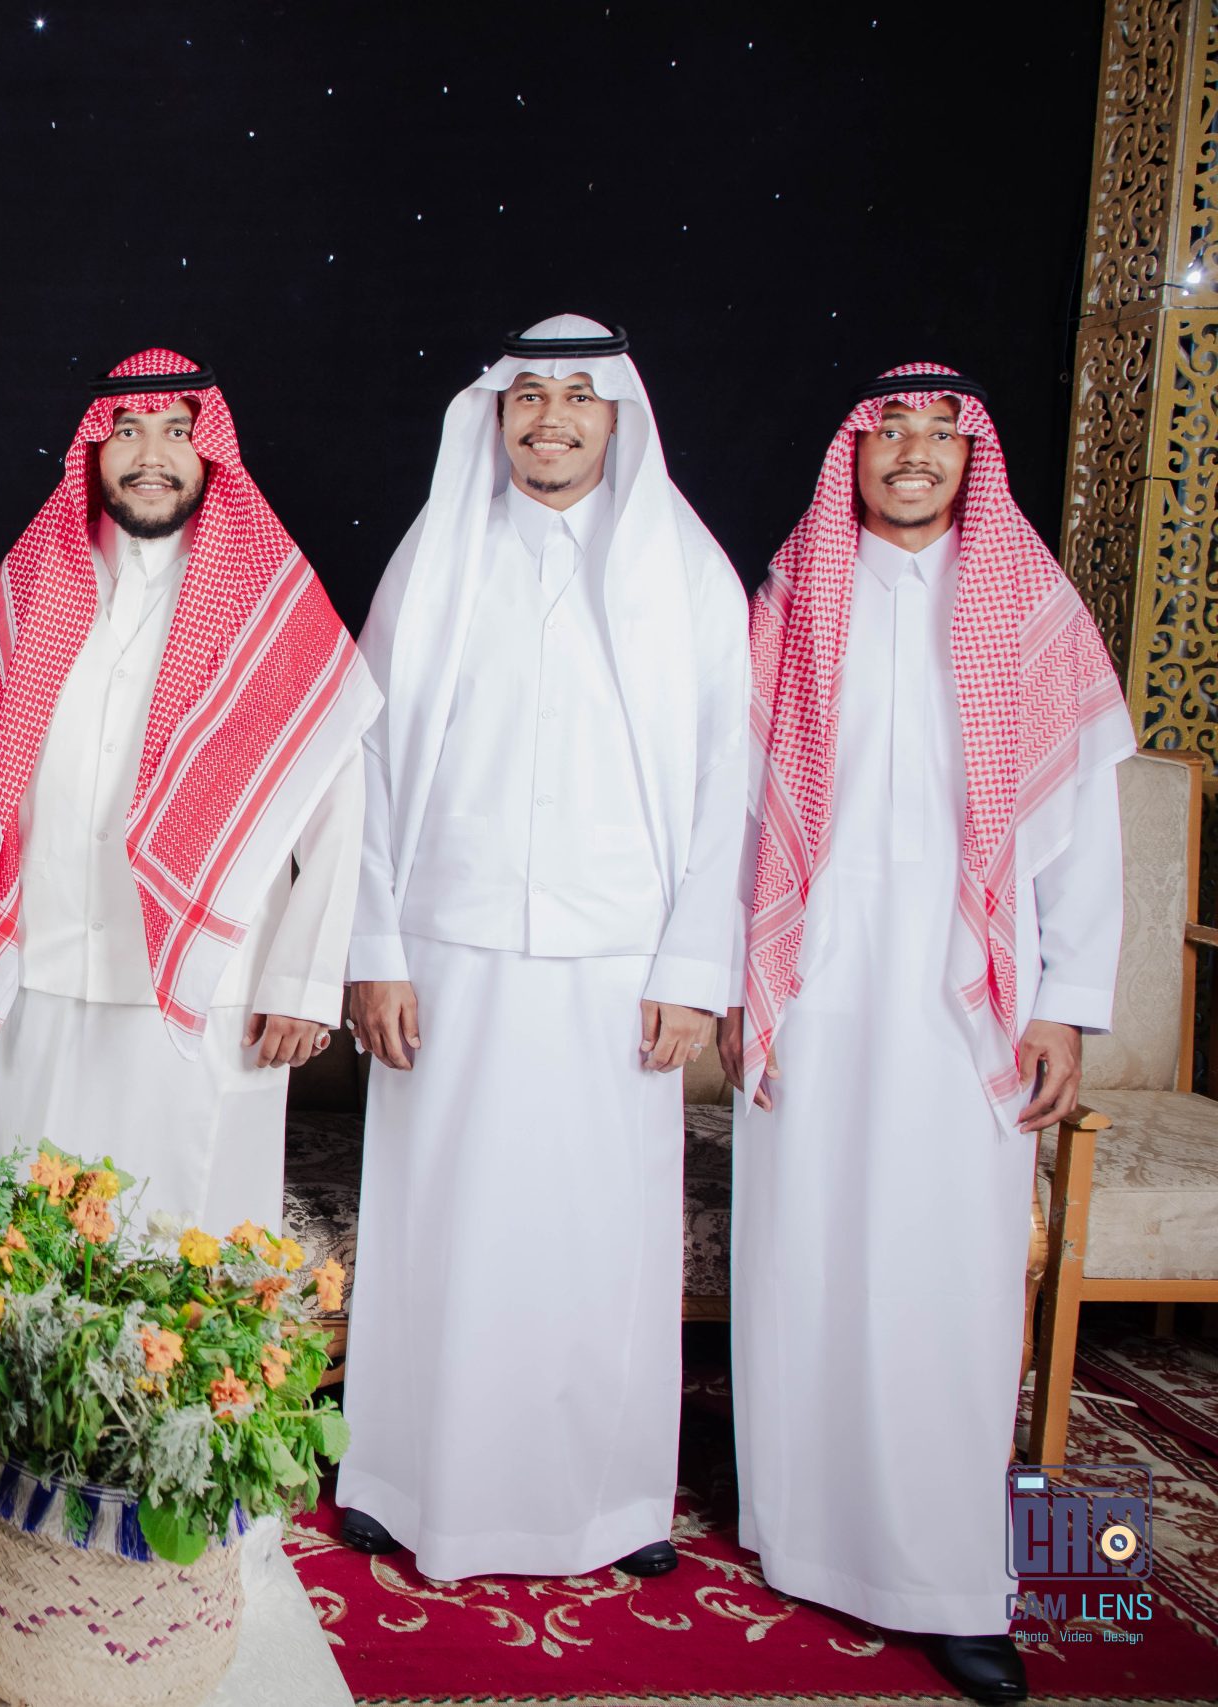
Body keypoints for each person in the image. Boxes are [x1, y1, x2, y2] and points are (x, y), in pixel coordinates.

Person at [723, 364, 1130, 1705]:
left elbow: (1083, 827)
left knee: (949, 1282)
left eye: (938, 433)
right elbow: (738, 808)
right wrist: (731, 982)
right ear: (851, 454)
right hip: (814, 988)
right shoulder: (793, 596)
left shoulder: (1032, 603)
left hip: (972, 1001)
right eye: (886, 430)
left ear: (972, 458)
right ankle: (801, 1534)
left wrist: (1066, 1000)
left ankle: (952, 1582)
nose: (910, 451)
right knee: (806, 1259)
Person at [337, 315, 749, 1582]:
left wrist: (693, 969)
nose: (552, 418)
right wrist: (373, 946)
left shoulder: (685, 569)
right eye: (530, 397)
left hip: (617, 968)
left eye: (579, 395)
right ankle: (401, 1481)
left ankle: (605, 1505)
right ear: (499, 417)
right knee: (442, 1231)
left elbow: (728, 780)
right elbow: (368, 763)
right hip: (446, 956)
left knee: (596, 1242)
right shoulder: (435, 555)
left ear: (618, 416)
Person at [0, 347, 373, 1234]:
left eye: (177, 431)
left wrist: (302, 980)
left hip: (205, 992)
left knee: (191, 1258)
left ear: (209, 447)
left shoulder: (268, 597)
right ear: (93, 449)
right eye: (128, 430)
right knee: (36, 1256)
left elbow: (339, 800)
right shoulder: (30, 582)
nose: (152, 454)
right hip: (44, 978)